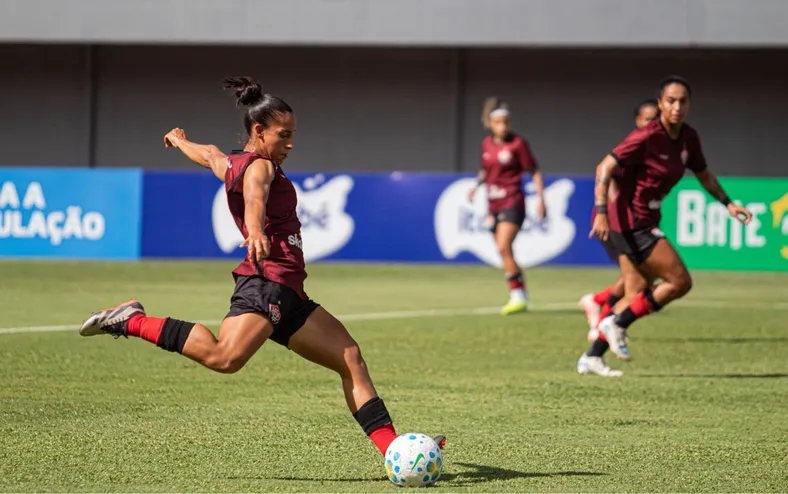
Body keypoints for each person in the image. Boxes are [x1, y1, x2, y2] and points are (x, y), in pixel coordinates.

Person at [78, 76, 445, 456]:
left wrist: (179, 140)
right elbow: (255, 198)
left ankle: (394, 450)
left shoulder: (234, 163)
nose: (290, 143)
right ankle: (130, 320)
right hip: (267, 283)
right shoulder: (261, 168)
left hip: (290, 294)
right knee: (225, 357)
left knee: (350, 358)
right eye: (283, 135)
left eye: (292, 135)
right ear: (258, 131)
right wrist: (254, 230)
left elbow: (209, 155)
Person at [578, 75, 752, 376]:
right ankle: (614, 322)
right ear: (660, 103)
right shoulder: (646, 136)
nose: (677, 106)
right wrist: (602, 212)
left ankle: (593, 356)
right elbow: (604, 167)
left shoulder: (688, 138)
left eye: (683, 101)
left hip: (645, 220)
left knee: (637, 292)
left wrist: (728, 203)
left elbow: (703, 174)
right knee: (679, 280)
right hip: (632, 222)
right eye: (671, 100)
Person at [579, 99, 659, 340]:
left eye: (656, 120)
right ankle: (604, 326)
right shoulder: (633, 146)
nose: (652, 124)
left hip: (638, 221)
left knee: (639, 277)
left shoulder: (658, 150)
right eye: (647, 119)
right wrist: (609, 213)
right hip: (619, 221)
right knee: (637, 281)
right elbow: (606, 171)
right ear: (637, 122)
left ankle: (598, 305)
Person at [468, 97, 546, 316]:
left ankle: (517, 296)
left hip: (513, 200)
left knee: (503, 246)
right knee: (505, 251)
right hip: (492, 203)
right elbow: (485, 170)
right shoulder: (486, 144)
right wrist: (476, 186)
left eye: (506, 122)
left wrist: (541, 199)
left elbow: (534, 171)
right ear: (491, 124)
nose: (503, 126)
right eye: (498, 122)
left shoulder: (518, 144)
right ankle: (520, 292)